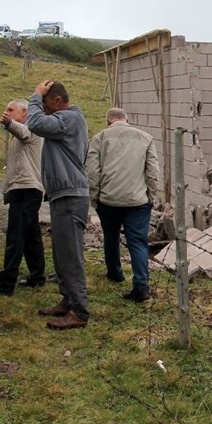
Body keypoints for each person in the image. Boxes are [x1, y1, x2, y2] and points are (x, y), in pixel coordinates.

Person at [27, 80, 90, 330]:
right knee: (61, 253)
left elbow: (35, 123)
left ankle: (79, 311)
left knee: (71, 256)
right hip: (63, 195)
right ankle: (68, 300)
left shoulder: (69, 119)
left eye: (44, 103)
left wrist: (34, 95)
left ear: (57, 101)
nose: (41, 109)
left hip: (71, 197)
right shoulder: (65, 120)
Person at [86, 107, 160, 302]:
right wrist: (152, 197)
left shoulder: (99, 139)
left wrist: (94, 198)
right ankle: (141, 285)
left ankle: (115, 273)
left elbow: (92, 173)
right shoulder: (145, 138)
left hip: (108, 200)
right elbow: (152, 172)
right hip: (137, 201)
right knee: (138, 242)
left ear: (108, 121)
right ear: (126, 120)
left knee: (110, 236)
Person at [0, 99, 46, 295]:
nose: (6, 112)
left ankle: (5, 284)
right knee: (31, 235)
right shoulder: (29, 128)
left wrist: (8, 123)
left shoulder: (31, 127)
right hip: (26, 188)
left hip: (26, 189)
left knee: (15, 236)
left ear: (24, 113)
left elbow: (22, 132)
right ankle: (37, 276)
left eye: (11, 110)